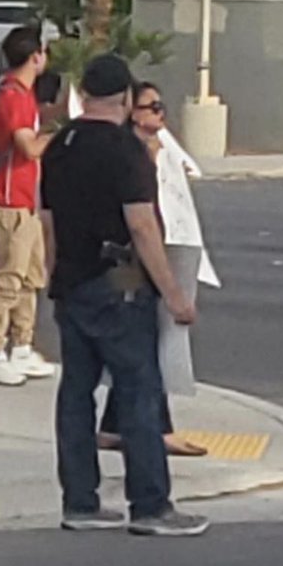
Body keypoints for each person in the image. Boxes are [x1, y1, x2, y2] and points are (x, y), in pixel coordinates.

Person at [40, 52, 210, 537]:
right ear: (126, 97)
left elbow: (47, 225)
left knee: (76, 392)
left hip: (72, 284)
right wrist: (173, 292)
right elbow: (141, 224)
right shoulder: (124, 150)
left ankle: (80, 501)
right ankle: (151, 505)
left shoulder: (60, 146)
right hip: (119, 286)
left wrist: (56, 280)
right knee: (138, 390)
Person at [98, 80, 220, 458]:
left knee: (146, 339)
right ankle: (158, 429)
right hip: (148, 253)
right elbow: (141, 214)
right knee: (156, 340)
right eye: (152, 107)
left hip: (172, 243)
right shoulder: (131, 154)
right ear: (132, 111)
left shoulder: (161, 145)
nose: (160, 113)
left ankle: (113, 425)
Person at [0, 26, 62, 386]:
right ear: (35, 57)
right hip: (8, 199)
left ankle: (22, 346)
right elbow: (27, 147)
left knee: (30, 277)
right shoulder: (13, 97)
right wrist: (58, 133)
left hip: (26, 201)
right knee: (9, 279)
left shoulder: (24, 95)